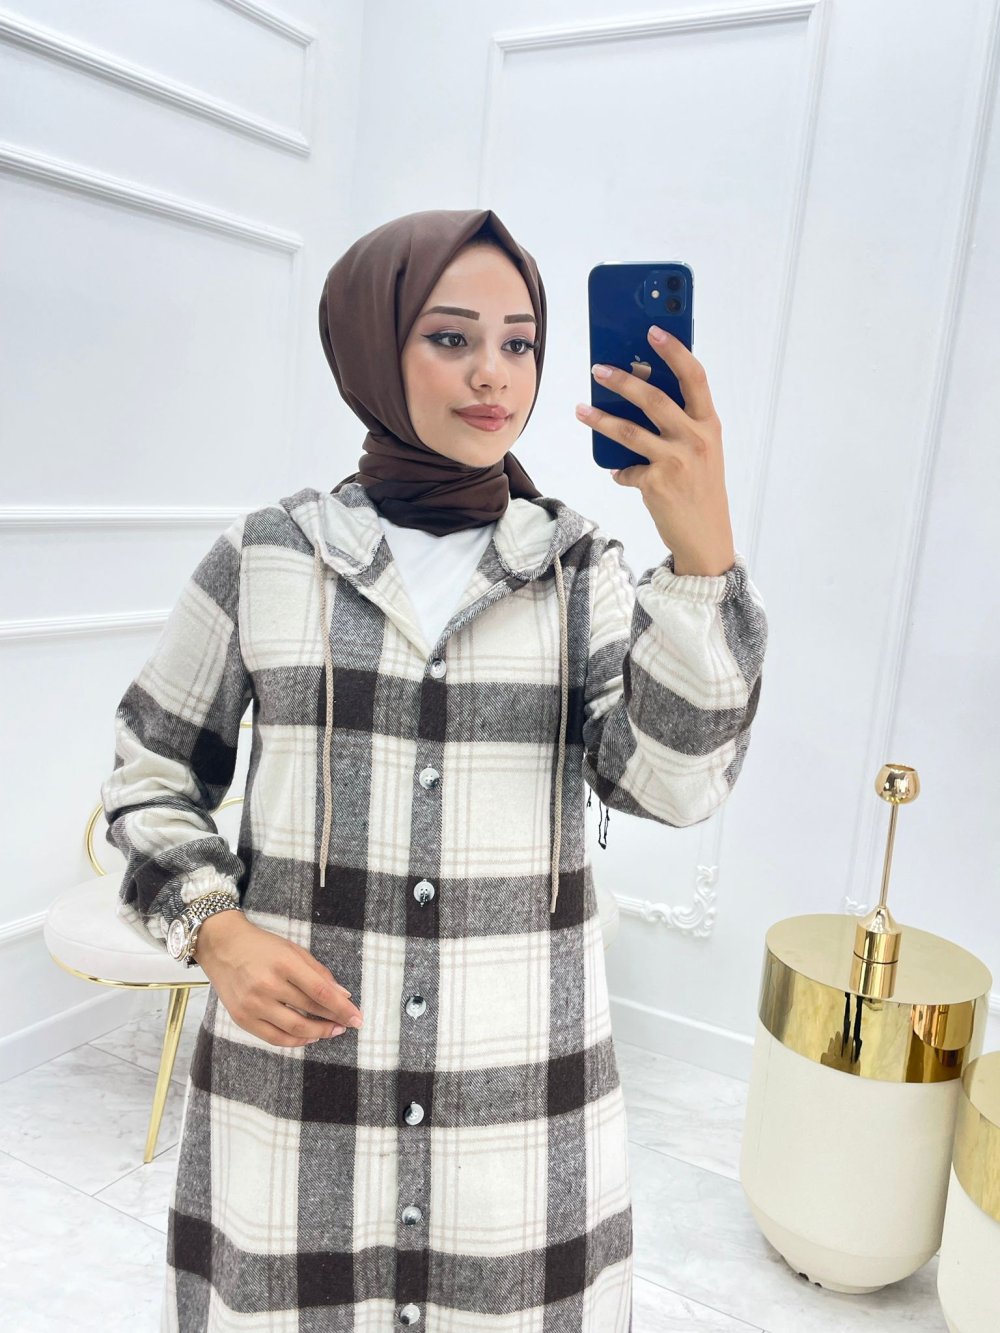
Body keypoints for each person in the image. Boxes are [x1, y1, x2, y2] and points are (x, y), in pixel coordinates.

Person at [101, 207, 768, 1331]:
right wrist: (216, 931)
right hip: (304, 1092)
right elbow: (149, 772)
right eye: (450, 337)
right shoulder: (267, 556)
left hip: (508, 1114)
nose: (492, 374)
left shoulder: (580, 570)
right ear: (373, 344)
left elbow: (672, 785)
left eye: (520, 343)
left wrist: (701, 556)